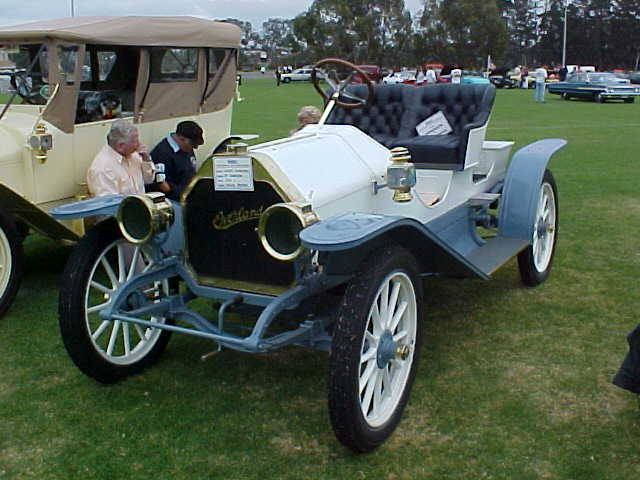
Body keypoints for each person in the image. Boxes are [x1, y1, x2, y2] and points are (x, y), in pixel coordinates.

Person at [86, 119, 155, 197]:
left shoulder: (134, 154)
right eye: (135, 141)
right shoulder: (102, 169)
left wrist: (146, 159)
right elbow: (109, 205)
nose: (139, 144)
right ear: (120, 146)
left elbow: (148, 180)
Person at [149, 120, 203, 201]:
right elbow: (164, 187)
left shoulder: (186, 147)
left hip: (190, 192)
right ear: (181, 139)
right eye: (193, 144)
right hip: (173, 199)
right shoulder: (162, 154)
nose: (195, 148)